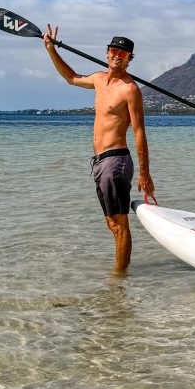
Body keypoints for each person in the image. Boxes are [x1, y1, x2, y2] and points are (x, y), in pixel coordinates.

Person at [44, 25, 155, 274]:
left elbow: (139, 133)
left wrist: (145, 174)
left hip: (116, 161)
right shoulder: (98, 80)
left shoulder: (130, 90)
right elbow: (71, 78)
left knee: (119, 225)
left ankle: (119, 278)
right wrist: (51, 49)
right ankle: (120, 276)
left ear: (129, 60)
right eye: (114, 50)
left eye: (123, 53)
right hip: (99, 162)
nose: (118, 55)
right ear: (107, 53)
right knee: (111, 222)